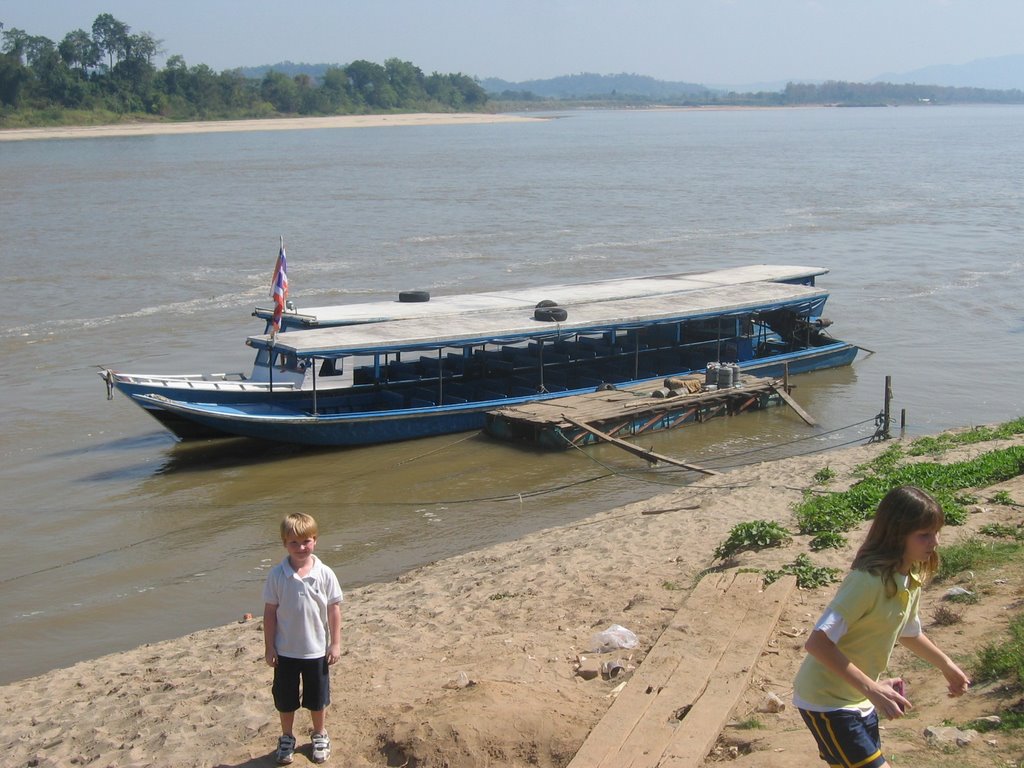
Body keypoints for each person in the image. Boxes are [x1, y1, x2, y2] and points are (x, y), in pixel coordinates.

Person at [793, 485, 970, 768]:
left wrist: (947, 666)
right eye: (924, 535)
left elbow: (910, 633)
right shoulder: (867, 581)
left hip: (860, 699)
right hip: (827, 701)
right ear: (897, 535)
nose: (934, 542)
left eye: (936, 533)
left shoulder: (910, 577)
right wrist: (873, 688)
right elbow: (817, 643)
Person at [263, 512, 343, 765]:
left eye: (306, 541)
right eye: (293, 543)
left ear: (315, 541)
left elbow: (333, 609)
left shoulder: (325, 573)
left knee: (317, 698)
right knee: (285, 699)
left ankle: (319, 734)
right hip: (285, 651)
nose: (300, 547)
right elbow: (269, 612)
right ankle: (287, 736)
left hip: (316, 650)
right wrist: (269, 647)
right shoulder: (277, 575)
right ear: (284, 544)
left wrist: (335, 643)